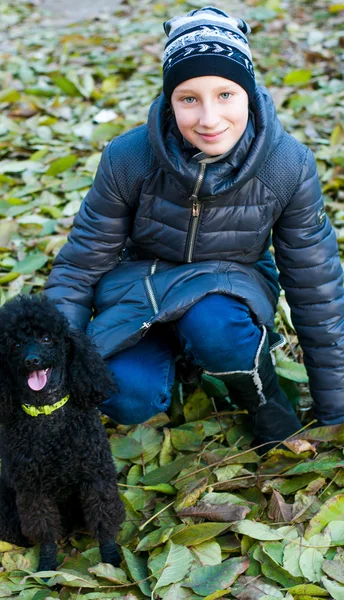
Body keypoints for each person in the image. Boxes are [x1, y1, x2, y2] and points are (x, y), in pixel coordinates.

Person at [44, 6, 344, 448]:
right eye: (189, 98)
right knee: (123, 394)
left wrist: (334, 405)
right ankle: (180, 362)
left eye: (225, 95)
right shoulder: (129, 157)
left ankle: (262, 399)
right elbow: (80, 265)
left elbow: (316, 286)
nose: (208, 118)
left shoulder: (287, 165)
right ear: (170, 100)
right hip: (142, 291)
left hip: (229, 286)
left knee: (213, 324)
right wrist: (53, 372)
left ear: (249, 93)